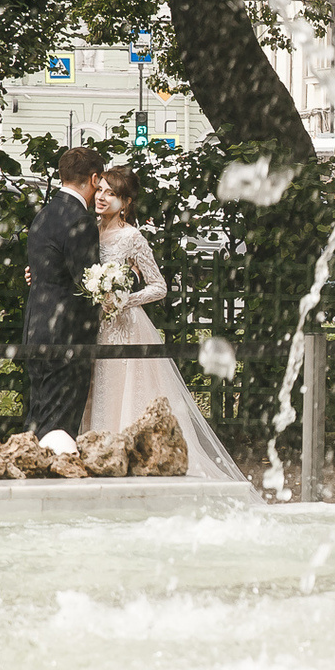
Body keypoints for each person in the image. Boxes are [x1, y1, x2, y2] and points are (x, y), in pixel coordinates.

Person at [84, 166, 251, 484]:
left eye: (112, 193)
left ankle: (132, 458)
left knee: (126, 392)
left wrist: (124, 299)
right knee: (97, 390)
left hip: (125, 327)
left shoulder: (132, 237)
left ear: (126, 202)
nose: (103, 197)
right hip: (95, 327)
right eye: (101, 189)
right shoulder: (88, 230)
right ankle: (99, 456)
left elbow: (158, 287)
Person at [23, 146, 103, 447]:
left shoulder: (44, 214)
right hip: (67, 333)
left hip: (37, 325)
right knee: (61, 423)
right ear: (94, 179)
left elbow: (46, 269)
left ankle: (33, 474)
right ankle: (54, 481)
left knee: (40, 413)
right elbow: (88, 281)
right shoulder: (80, 220)